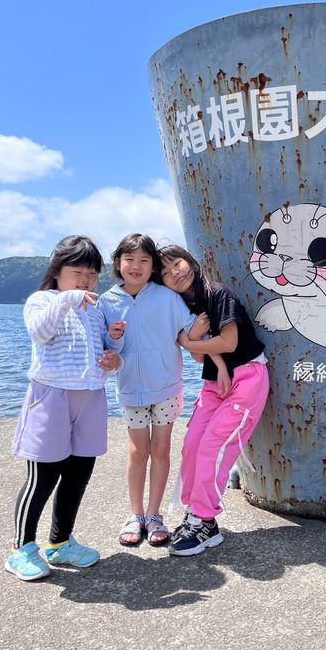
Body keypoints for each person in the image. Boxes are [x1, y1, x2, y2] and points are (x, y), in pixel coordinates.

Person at [6, 235, 121, 581]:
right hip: (51, 395)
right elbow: (39, 333)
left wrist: (114, 350)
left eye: (91, 273)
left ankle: (60, 543)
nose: (86, 279)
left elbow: (104, 353)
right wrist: (67, 300)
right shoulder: (41, 300)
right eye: (78, 271)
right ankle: (20, 549)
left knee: (78, 474)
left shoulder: (98, 308)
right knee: (42, 477)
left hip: (89, 397)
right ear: (57, 271)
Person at [159, 244, 269, 557]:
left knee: (214, 447)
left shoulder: (219, 294)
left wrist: (188, 339)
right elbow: (196, 355)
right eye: (165, 273)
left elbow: (229, 341)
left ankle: (204, 520)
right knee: (193, 443)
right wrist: (192, 340)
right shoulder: (186, 307)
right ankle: (196, 513)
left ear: (189, 261)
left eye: (176, 264)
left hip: (247, 378)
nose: (174, 274)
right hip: (214, 385)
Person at [99, 234, 207, 548]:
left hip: (166, 387)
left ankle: (154, 514)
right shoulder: (107, 302)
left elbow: (188, 329)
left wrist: (204, 325)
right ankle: (135, 515)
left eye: (144, 260)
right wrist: (114, 340)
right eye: (129, 259)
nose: (136, 266)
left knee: (161, 450)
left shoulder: (166, 297)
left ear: (152, 267)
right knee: (137, 452)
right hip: (130, 389)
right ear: (118, 262)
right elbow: (108, 353)